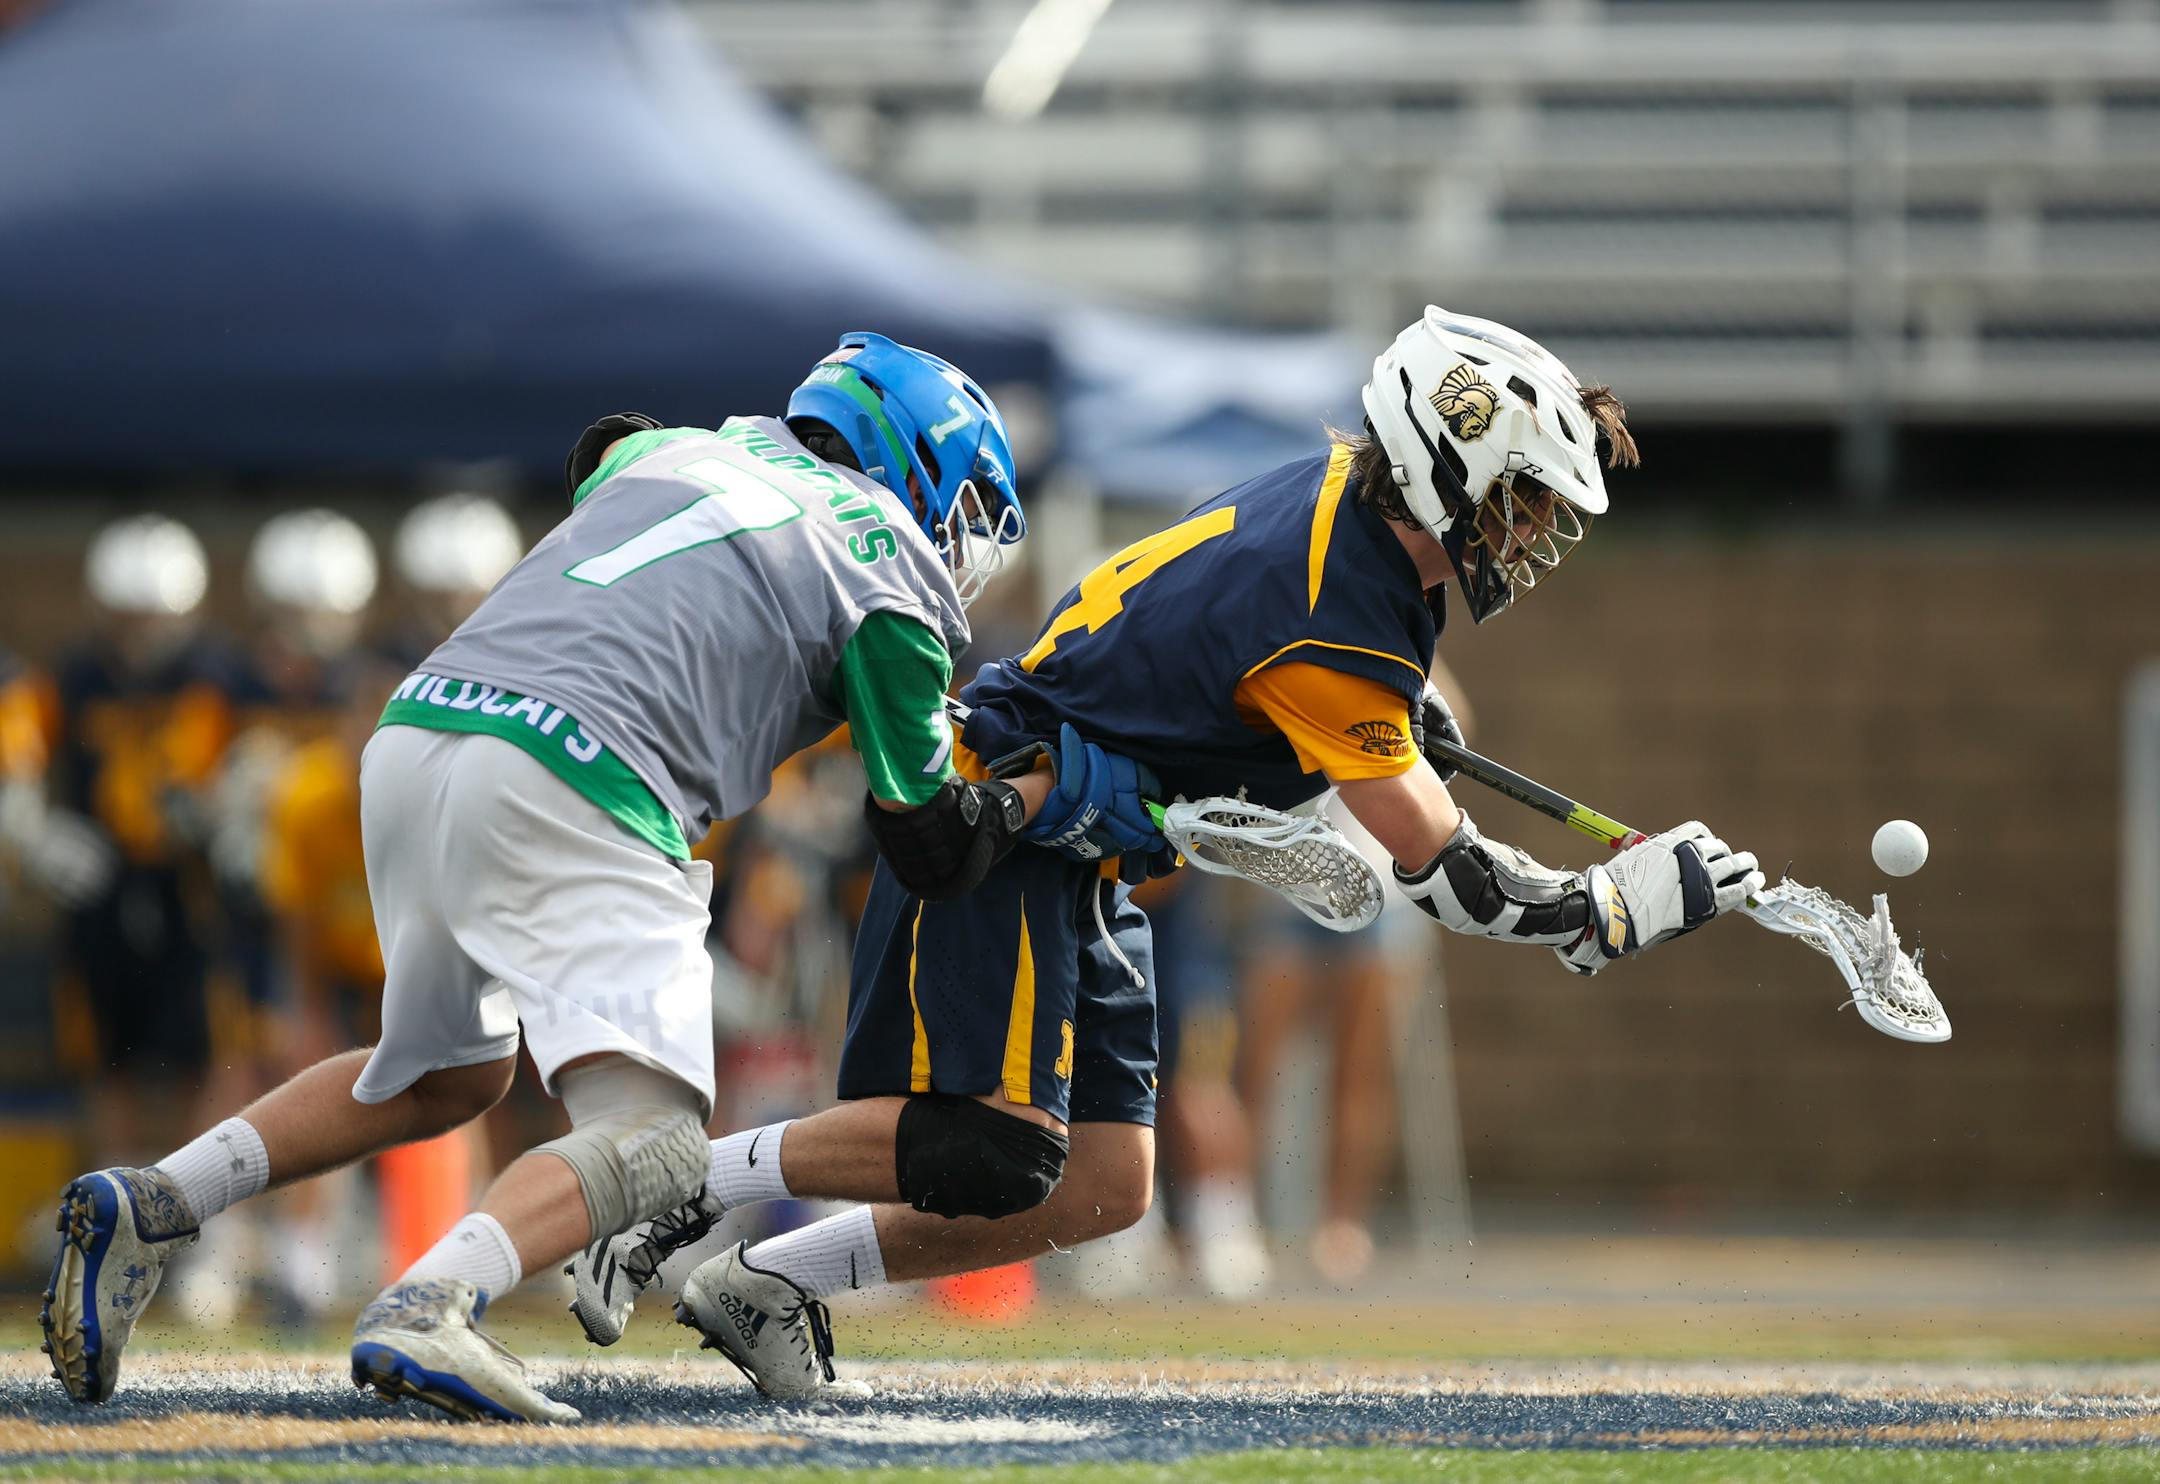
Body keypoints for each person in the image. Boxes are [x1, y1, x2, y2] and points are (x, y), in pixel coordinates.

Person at [571, 307, 1766, 1400]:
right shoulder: (1335, 612)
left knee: (1103, 1182)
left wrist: (1389, 722)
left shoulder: (1352, 505)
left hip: (1089, 828)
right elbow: (1445, 871)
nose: (1533, 529)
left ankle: (770, 1279)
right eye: (1521, 495)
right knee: (990, 1141)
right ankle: (671, 1187)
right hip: (1018, 812)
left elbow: (1242, 666)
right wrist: (1607, 907)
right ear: (1444, 464)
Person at [38, 332, 1154, 1423]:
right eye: (964, 514)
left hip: (419, 733)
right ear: (915, 465)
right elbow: (931, 844)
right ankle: (437, 1298)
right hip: (583, 769)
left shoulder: (676, 448)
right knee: (655, 1135)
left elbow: (604, 447)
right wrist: (1037, 794)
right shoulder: (888, 572)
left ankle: (160, 1199)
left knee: (440, 1074)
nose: (959, 548)